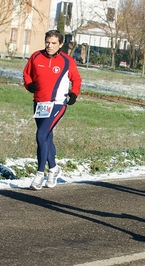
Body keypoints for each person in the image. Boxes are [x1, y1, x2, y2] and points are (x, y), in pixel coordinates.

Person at [23, 30, 82, 190]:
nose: (49, 46)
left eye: (53, 43)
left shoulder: (67, 61)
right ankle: (54, 169)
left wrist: (74, 94)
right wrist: (29, 85)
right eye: (47, 42)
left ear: (60, 44)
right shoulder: (36, 56)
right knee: (46, 137)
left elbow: (76, 79)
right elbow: (26, 74)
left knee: (41, 135)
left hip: (57, 103)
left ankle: (39, 175)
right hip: (40, 104)